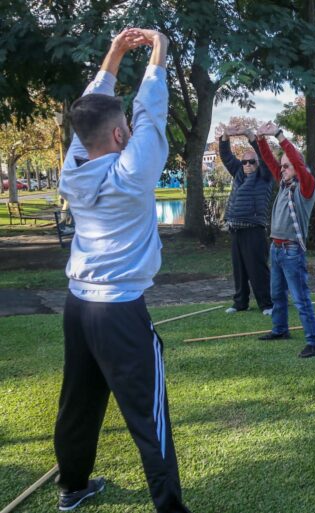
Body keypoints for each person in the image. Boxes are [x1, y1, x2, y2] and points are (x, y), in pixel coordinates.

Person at [54, 29, 191, 512]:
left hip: (78, 306)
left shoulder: (72, 167)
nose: (130, 130)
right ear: (119, 134)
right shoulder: (133, 174)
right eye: (124, 127)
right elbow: (150, 112)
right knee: (149, 417)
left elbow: (89, 112)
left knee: (79, 401)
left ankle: (73, 487)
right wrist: (158, 52)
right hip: (118, 313)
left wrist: (113, 53)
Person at [254, 121, 315, 358]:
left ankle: (314, 341)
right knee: (276, 295)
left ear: (297, 167)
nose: (282, 169)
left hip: (292, 250)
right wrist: (260, 138)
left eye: (287, 166)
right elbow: (270, 160)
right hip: (276, 247)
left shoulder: (306, 187)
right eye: (282, 166)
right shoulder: (284, 184)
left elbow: (297, 162)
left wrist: (280, 136)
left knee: (300, 299)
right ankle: (280, 329)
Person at [216, 119, 274, 316]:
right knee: (239, 269)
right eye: (244, 161)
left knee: (257, 269)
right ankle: (240, 303)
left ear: (257, 163)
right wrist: (226, 136)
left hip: (254, 230)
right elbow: (225, 155)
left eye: (251, 161)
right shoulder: (239, 172)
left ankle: (267, 304)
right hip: (236, 229)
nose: (247, 165)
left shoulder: (265, 176)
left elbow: (265, 159)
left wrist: (251, 136)